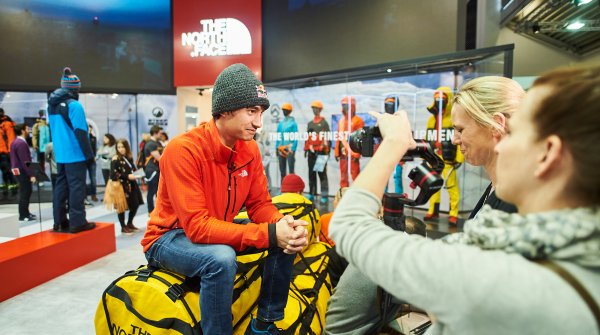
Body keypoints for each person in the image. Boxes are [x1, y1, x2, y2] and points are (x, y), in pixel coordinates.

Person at [329, 65, 600, 335]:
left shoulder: (504, 271)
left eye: (516, 132)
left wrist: (393, 143)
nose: (502, 144)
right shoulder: (568, 251)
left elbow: (349, 224)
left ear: (548, 152)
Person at [324, 76, 525, 335]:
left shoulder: (518, 204)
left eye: (461, 130)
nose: (454, 140)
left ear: (497, 124)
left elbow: (347, 226)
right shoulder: (501, 188)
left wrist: (393, 145)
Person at [141, 63, 309, 335]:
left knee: (284, 237)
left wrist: (281, 224)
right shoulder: (183, 150)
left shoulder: (250, 149)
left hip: (213, 227)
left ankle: (264, 324)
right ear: (227, 109)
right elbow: (197, 227)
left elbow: (259, 205)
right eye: (251, 111)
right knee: (221, 258)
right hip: (167, 238)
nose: (258, 122)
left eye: (261, 112)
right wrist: (269, 233)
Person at [47, 67, 95, 233]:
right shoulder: (75, 106)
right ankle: (78, 222)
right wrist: (89, 156)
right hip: (76, 155)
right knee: (77, 188)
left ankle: (59, 222)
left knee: (60, 188)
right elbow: (81, 133)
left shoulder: (51, 105)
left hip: (60, 155)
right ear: (76, 89)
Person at [423, 87, 464, 225]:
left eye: (443, 100)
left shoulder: (453, 119)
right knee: (433, 186)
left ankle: (454, 213)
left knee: (452, 187)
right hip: (434, 160)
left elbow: (460, 139)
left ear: (448, 101)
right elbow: (427, 138)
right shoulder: (431, 120)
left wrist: (459, 158)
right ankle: (433, 210)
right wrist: (425, 155)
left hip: (448, 160)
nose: (439, 102)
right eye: (437, 99)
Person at [110, 139, 143, 234]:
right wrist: (127, 176)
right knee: (121, 207)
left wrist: (138, 174)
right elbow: (113, 175)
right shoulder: (115, 159)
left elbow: (132, 169)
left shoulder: (128, 157)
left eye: (122, 147)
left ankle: (129, 223)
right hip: (121, 186)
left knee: (135, 204)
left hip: (132, 185)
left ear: (126, 147)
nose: (121, 149)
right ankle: (123, 226)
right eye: (118, 147)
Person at [334, 96, 364, 188]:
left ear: (352, 106)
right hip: (343, 154)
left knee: (355, 176)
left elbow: (361, 139)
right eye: (343, 105)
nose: (344, 107)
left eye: (346, 105)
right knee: (343, 176)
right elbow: (339, 137)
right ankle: (343, 195)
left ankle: (357, 195)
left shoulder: (358, 121)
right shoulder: (341, 121)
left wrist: (357, 154)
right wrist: (336, 152)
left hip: (352, 154)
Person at [304, 100, 330, 204]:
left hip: (321, 153)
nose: (314, 110)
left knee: (322, 174)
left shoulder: (324, 123)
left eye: (316, 108)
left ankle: (324, 195)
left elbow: (327, 138)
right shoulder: (310, 123)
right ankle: (311, 193)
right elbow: (307, 138)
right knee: (311, 174)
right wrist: (306, 150)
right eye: (313, 108)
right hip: (311, 153)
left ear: (320, 109)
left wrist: (326, 150)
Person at [10, 123, 36, 222]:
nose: (28, 130)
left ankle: (25, 212)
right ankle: (23, 215)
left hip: (17, 170)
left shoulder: (15, 142)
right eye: (26, 128)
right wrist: (31, 174)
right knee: (25, 192)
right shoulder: (21, 143)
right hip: (22, 170)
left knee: (24, 191)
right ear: (22, 131)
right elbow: (25, 161)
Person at [384, 95, 404, 194]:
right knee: (383, 179)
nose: (388, 107)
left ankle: (398, 201)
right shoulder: (383, 120)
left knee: (397, 178)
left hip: (397, 154)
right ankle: (382, 201)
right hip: (385, 154)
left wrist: (402, 157)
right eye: (387, 104)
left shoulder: (401, 120)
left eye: (391, 104)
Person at [275, 102, 298, 179]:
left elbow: (295, 137)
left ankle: (291, 189)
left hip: (289, 149)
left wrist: (293, 149)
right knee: (282, 171)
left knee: (291, 171)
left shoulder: (293, 123)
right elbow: (278, 136)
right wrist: (276, 147)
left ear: (289, 111)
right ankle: (283, 189)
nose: (284, 111)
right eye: (283, 110)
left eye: (286, 110)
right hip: (281, 149)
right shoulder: (281, 124)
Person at [143, 125, 163, 214]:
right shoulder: (150, 144)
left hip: (158, 169)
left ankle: (157, 210)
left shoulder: (158, 143)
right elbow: (159, 158)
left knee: (158, 192)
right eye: (160, 133)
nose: (161, 135)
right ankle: (150, 211)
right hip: (152, 170)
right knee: (151, 191)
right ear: (155, 133)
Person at [0, 107, 18, 197]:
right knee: (4, 172)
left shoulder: (7, 124)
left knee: (7, 171)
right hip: (2, 152)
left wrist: (10, 152)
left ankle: (13, 189)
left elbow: (11, 138)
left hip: (5, 153)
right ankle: (6, 190)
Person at [32, 109, 50, 176]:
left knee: (49, 161)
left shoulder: (48, 124)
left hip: (48, 146)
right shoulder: (37, 125)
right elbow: (34, 136)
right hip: (40, 147)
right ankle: (41, 177)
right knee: (41, 162)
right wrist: (34, 145)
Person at [86, 125, 98, 203]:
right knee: (82, 179)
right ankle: (84, 196)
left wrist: (94, 157)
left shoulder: (93, 138)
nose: (89, 130)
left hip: (92, 161)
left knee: (93, 178)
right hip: (84, 160)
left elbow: (94, 149)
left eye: (90, 129)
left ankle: (93, 194)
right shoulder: (83, 138)